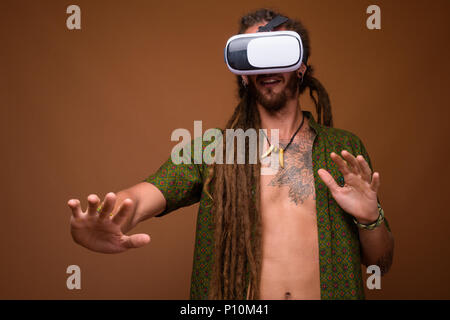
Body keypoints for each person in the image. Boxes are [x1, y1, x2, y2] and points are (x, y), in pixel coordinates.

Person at [67, 8, 394, 300]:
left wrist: (370, 219)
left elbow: (380, 262)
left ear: (301, 67)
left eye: (277, 52)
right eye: (252, 55)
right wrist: (110, 221)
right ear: (241, 71)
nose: (266, 66)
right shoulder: (212, 150)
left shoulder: (344, 151)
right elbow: (145, 194)